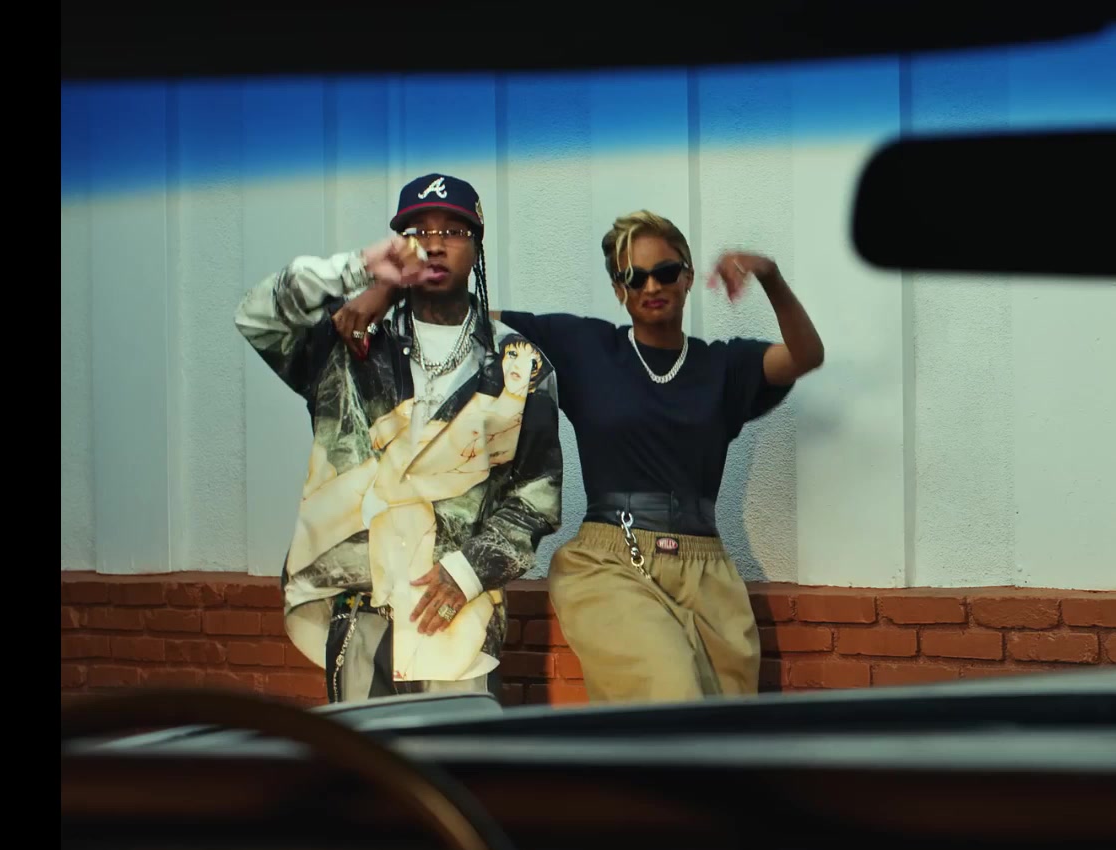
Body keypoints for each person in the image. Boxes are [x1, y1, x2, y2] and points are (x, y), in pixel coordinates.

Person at [339, 209, 824, 703]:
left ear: (688, 277)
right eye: (633, 277)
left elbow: (806, 355)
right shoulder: (586, 347)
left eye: (665, 272)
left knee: (724, 723)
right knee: (671, 692)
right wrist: (389, 291)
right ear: (618, 289)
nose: (651, 286)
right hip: (612, 560)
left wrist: (770, 275)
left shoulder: (724, 366)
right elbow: (467, 320)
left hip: (707, 569)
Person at [234, 173, 563, 703]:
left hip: (458, 622)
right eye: (418, 232)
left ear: (477, 247)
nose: (435, 243)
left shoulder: (518, 366)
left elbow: (536, 497)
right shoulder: (348, 343)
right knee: (367, 758)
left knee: (459, 757)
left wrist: (468, 571)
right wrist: (364, 269)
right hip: (359, 616)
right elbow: (257, 315)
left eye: (453, 231)